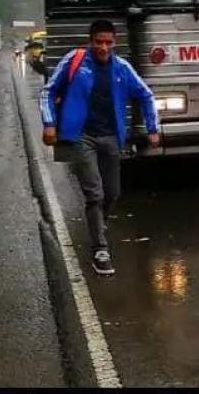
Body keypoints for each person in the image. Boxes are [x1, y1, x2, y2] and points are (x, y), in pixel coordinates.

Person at [39, 19, 160, 276]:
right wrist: (49, 123)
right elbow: (48, 92)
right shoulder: (76, 60)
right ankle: (100, 249)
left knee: (113, 193)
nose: (103, 47)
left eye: (108, 42)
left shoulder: (121, 68)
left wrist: (152, 128)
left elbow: (146, 95)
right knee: (95, 194)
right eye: (98, 42)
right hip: (82, 137)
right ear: (90, 41)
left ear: (114, 42)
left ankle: (97, 227)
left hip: (111, 138)